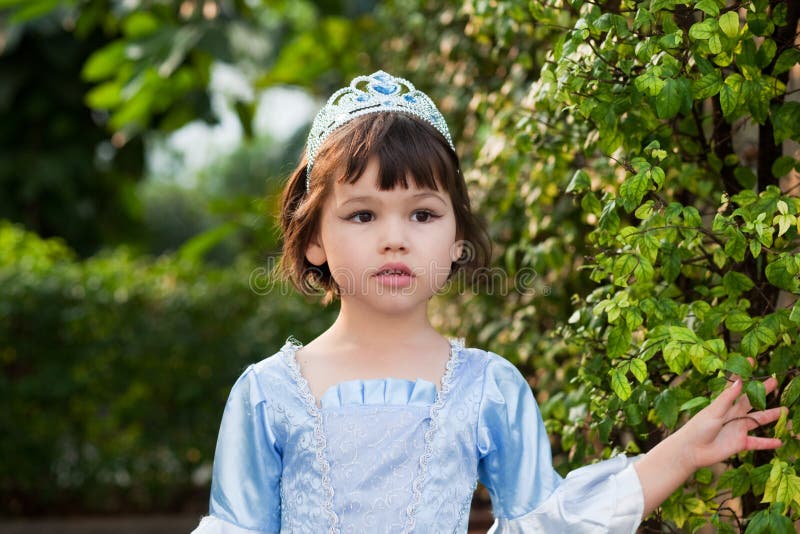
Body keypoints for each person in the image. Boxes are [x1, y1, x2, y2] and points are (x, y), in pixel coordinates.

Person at [191, 71, 784, 533]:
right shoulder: (266, 395)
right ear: (315, 238)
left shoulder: (488, 388)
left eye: (423, 213)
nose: (395, 236)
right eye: (363, 214)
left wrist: (679, 454)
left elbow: (550, 522)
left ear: (455, 242)